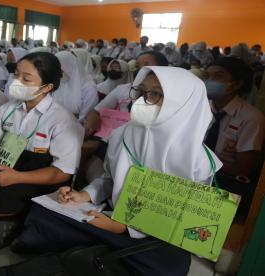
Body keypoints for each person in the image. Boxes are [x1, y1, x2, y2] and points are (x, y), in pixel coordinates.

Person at [13, 66, 222, 276]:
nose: (141, 100)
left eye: (155, 94)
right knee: (43, 211)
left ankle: (82, 252)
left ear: (183, 104)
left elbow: (184, 218)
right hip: (112, 214)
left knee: (170, 265)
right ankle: (93, 254)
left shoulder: (200, 162)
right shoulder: (123, 134)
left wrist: (124, 228)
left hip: (155, 235)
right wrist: (84, 195)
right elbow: (109, 178)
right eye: (140, 92)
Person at [0, 52, 84, 245]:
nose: (17, 81)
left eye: (26, 78)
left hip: (36, 178)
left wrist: (17, 177)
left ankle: (7, 220)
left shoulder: (62, 121)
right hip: (3, 168)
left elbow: (62, 172)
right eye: (16, 74)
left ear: (47, 87)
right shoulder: (8, 109)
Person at [84, 52, 169, 183]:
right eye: (137, 65)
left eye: (146, 65)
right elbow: (110, 178)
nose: (140, 69)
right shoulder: (120, 133)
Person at [204, 57, 265, 215]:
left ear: (236, 84)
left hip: (225, 184)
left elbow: (243, 169)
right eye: (207, 76)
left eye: (218, 76)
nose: (209, 81)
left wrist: (202, 161)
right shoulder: (200, 109)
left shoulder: (251, 118)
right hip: (197, 175)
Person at [54, 51, 99, 123]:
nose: (58, 73)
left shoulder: (89, 88)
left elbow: (86, 116)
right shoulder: (61, 82)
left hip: (74, 126)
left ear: (69, 66)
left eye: (61, 69)